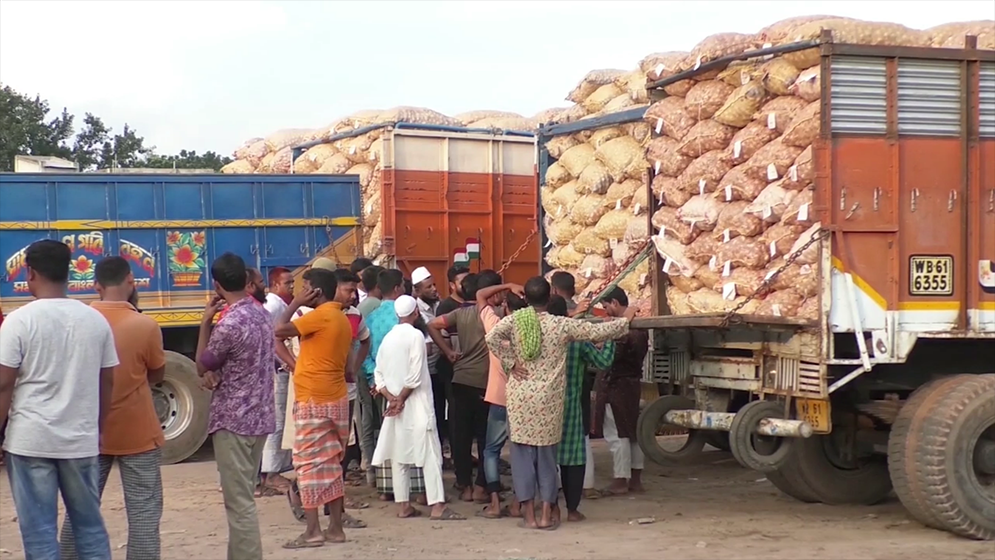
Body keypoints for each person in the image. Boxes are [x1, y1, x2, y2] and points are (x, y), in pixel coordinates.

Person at [0, 240, 118, 560]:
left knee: (39, 534)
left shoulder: (18, 321)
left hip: (30, 442)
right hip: (80, 441)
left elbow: (3, 383)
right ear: (68, 273)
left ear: (31, 273)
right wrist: (98, 426)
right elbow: (107, 380)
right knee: (90, 528)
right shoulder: (94, 320)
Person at [485, 276, 630, 531]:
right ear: (550, 296)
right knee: (547, 460)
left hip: (521, 401)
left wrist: (510, 362)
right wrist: (625, 320)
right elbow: (597, 331)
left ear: (526, 299)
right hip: (549, 403)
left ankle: (528, 516)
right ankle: (545, 515)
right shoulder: (561, 325)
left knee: (522, 460)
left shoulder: (517, 321)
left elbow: (492, 338)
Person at [58, 257, 167, 560]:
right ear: (131, 281)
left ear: (96, 286)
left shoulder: (79, 321)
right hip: (138, 432)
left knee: (79, 510)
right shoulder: (145, 325)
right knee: (143, 513)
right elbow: (157, 375)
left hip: (88, 432)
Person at [196, 253, 275, 560]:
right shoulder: (261, 315)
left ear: (217, 286)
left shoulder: (229, 324)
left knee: (239, 503)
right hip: (260, 417)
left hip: (234, 420)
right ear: (246, 280)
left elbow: (203, 364)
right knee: (242, 500)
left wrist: (205, 322)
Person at [274, 268, 353, 548]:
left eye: (305, 288)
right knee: (332, 463)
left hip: (313, 400)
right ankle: (335, 528)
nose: (299, 292)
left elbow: (278, 330)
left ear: (316, 291)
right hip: (336, 397)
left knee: (307, 465)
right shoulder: (341, 317)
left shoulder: (319, 316)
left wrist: (293, 304)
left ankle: (313, 531)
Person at [372, 295, 466, 521]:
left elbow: (378, 375)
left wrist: (391, 398)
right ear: (415, 313)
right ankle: (437, 506)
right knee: (431, 455)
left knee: (399, 455)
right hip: (416, 404)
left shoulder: (388, 338)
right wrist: (401, 398)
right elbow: (415, 375)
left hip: (395, 405)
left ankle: (403, 505)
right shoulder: (416, 336)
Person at [362, 269, 428, 503]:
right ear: (399, 288)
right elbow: (422, 353)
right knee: (417, 433)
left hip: (385, 387)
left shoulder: (371, 318)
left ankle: (386, 488)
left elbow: (367, 355)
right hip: (410, 388)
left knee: (389, 434)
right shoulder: (409, 317)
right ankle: (419, 489)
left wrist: (375, 382)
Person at [551, 296, 616, 522]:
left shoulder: (535, 336)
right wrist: (609, 336)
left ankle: (549, 507)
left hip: (541, 407)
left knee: (545, 459)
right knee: (573, 458)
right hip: (570, 406)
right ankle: (572, 509)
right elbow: (603, 361)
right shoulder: (576, 340)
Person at [427, 273, 491, 503]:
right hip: (486, 382)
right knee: (485, 437)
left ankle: (464, 485)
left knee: (460, 436)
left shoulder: (457, 314)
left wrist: (448, 351)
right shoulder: (492, 315)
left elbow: (432, 325)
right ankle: (483, 485)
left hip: (460, 380)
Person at [475, 278, 528, 520]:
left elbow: (480, 295)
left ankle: (495, 503)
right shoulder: (531, 332)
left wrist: (507, 284)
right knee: (521, 451)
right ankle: (519, 502)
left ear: (506, 306)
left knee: (491, 451)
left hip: (498, 398)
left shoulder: (495, 326)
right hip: (523, 400)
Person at [593, 287, 649, 497]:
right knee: (632, 433)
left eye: (606, 306)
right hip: (632, 384)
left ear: (614, 303)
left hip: (614, 386)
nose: (605, 311)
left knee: (617, 435)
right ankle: (635, 479)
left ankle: (620, 479)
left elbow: (609, 357)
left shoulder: (621, 331)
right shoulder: (641, 328)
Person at [260, 266, 295, 495]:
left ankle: (274, 469)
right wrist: (282, 362)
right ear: (275, 285)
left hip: (278, 366)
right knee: (278, 418)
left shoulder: (279, 304)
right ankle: (272, 472)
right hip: (277, 368)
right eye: (287, 283)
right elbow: (270, 339)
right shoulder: (273, 306)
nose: (292, 287)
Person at [433, 264, 471, 456]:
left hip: (471, 370)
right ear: (451, 285)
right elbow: (437, 332)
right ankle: (458, 456)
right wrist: (448, 352)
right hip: (452, 370)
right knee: (455, 415)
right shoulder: (446, 307)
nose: (466, 285)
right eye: (461, 282)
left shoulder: (473, 305)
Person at [355, 264, 385, 484]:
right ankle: (378, 467)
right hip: (371, 368)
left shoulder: (362, 305)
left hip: (359, 365)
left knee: (365, 416)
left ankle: (368, 466)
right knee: (378, 417)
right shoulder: (376, 306)